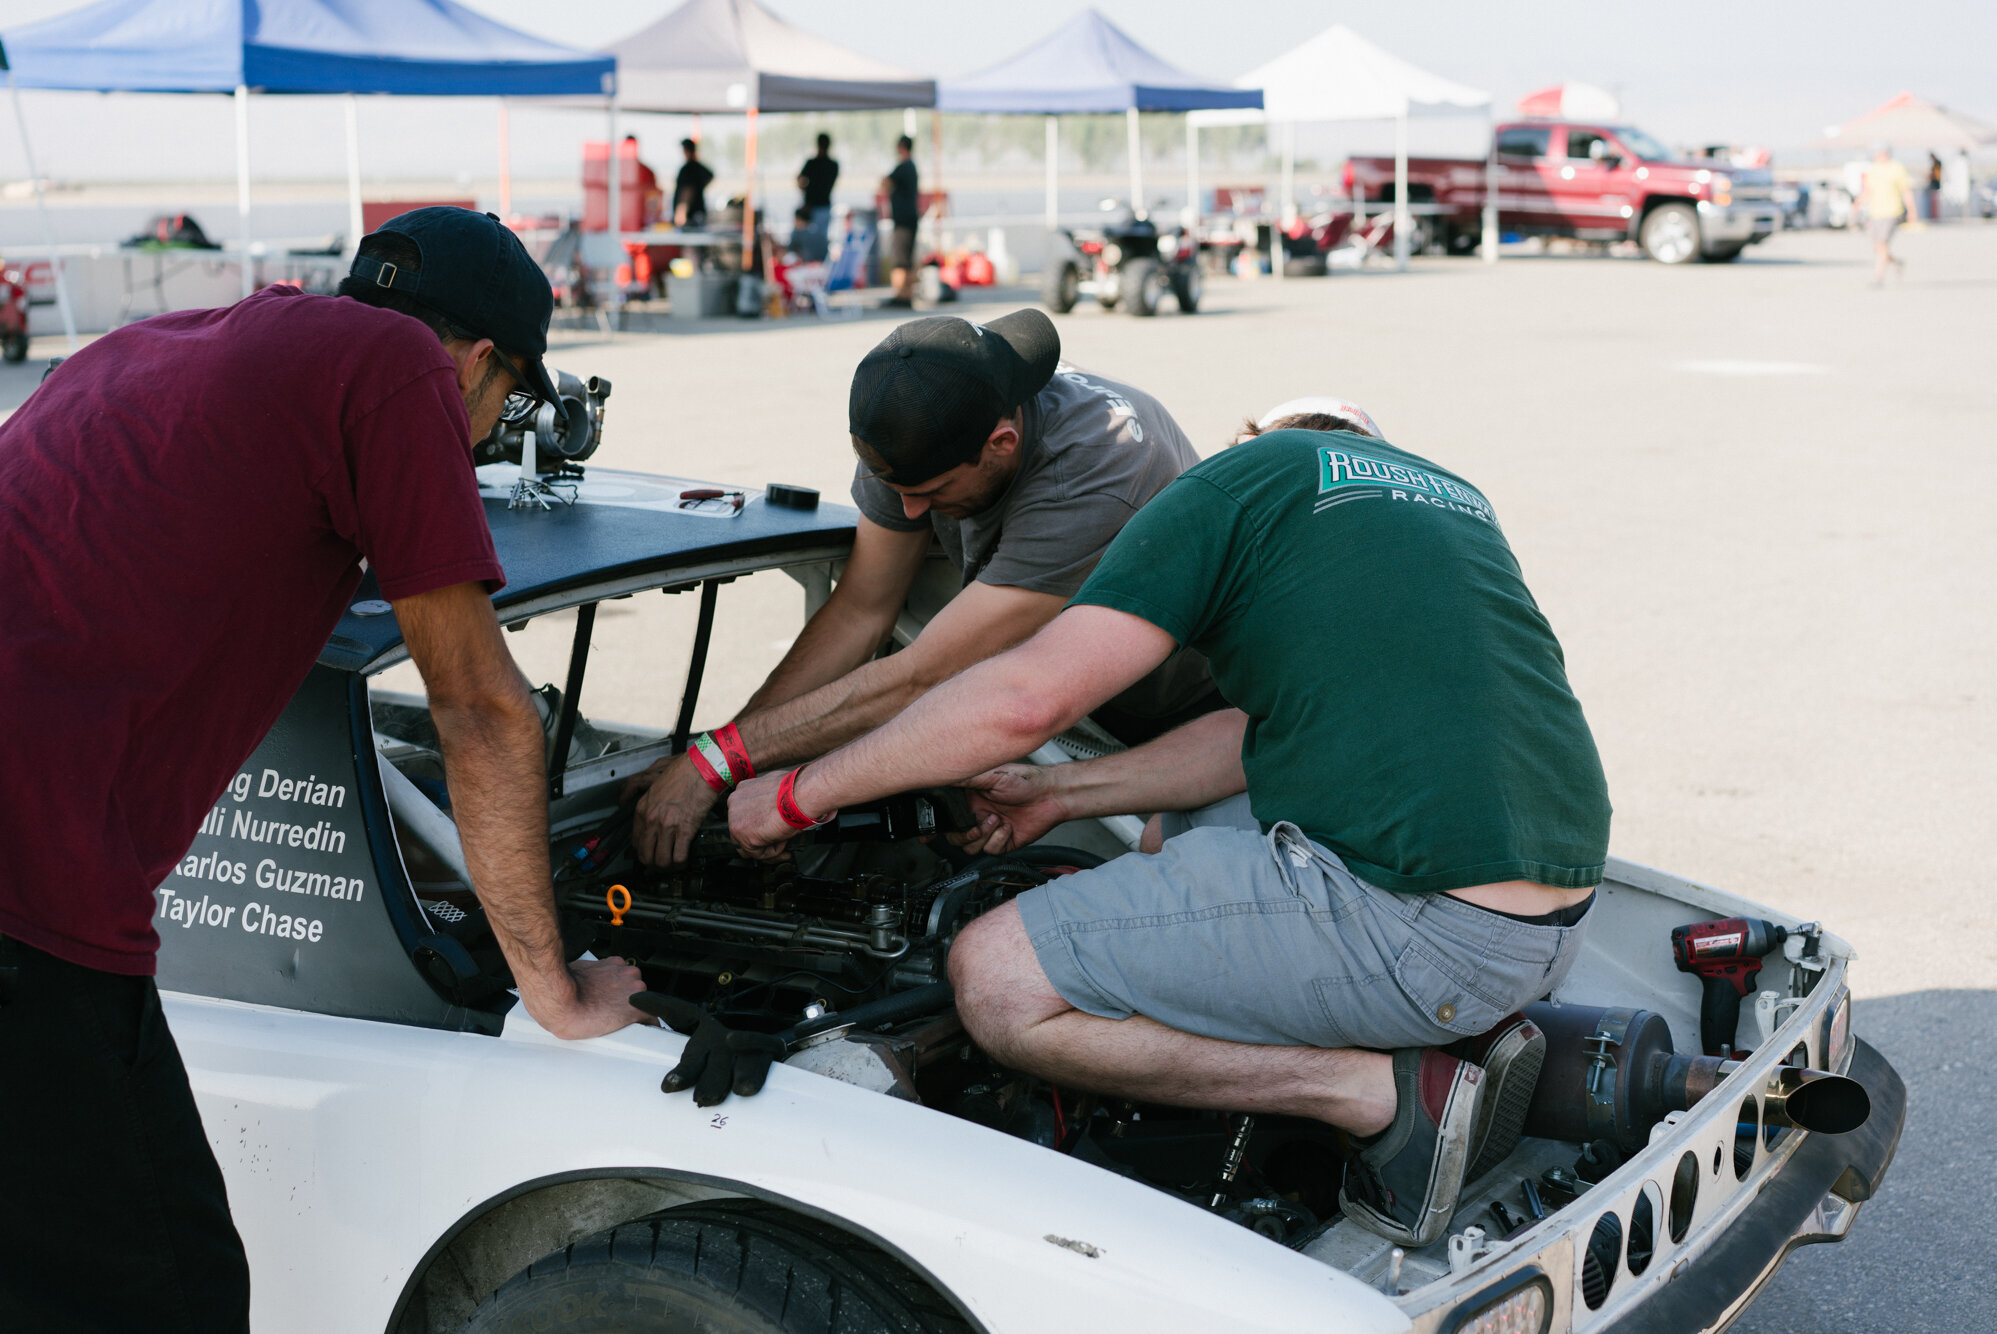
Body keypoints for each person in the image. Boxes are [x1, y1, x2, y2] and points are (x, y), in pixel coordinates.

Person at [725, 398, 1611, 1248]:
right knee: (1171, 832)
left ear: (1248, 439)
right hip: (1549, 926)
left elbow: (1028, 697)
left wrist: (802, 791)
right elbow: (1241, 738)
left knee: (993, 977)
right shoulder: (1436, 496)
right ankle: (1451, 1034)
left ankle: (1377, 1093)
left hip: (1426, 932)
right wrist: (1063, 797)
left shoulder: (1227, 489)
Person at [0, 208, 648, 1333]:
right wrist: (553, 987)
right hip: (28, 893)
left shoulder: (154, 352)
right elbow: (482, 708)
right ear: (481, 362)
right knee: (166, 1293)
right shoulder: (397, 369)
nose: (487, 435)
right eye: (503, 411)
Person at [626, 309, 1217, 867]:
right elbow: (861, 611)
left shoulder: (1094, 472)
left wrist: (717, 763)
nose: (909, 509)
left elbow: (925, 675)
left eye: (930, 491)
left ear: (1001, 444)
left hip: (1188, 711)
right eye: (896, 486)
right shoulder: (917, 420)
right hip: (1056, 674)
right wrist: (724, 761)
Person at [1860, 143, 1918, 286]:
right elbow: (1868, 191)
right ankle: (1897, 263)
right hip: (1875, 213)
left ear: (1885, 153)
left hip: (1892, 212)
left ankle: (1878, 278)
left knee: (1883, 244)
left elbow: (1906, 190)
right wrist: (1856, 206)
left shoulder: (1897, 168)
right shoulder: (1873, 169)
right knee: (1878, 248)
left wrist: (1912, 211)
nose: (1875, 155)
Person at [881, 134, 919, 307]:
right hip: (911, 218)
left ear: (901, 147)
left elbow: (885, 182)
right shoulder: (912, 167)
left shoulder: (903, 167)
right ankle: (907, 294)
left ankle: (901, 295)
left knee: (900, 260)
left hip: (902, 220)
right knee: (908, 259)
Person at [795, 131, 839, 262]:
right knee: (821, 239)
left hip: (811, 207)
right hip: (824, 206)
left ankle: (812, 263)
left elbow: (799, 179)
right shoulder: (833, 165)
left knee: (810, 240)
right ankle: (820, 263)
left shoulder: (812, 163)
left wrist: (805, 190)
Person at [674, 137, 714, 229]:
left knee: (690, 240)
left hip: (689, 216)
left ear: (685, 150)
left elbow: (688, 190)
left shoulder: (687, 169)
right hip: (699, 213)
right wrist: (700, 187)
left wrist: (681, 212)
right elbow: (710, 175)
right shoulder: (699, 167)